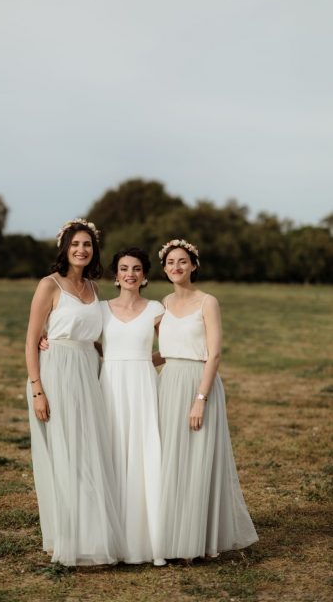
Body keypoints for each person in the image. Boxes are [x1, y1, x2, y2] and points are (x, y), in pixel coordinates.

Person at [25, 218, 124, 566]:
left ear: (93, 250)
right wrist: (38, 389)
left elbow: (95, 338)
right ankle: (63, 536)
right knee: (64, 453)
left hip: (86, 372)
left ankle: (90, 533)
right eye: (75, 244)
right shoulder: (49, 285)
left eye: (87, 245)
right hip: (55, 373)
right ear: (65, 248)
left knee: (88, 451)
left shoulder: (95, 290)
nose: (81, 250)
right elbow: (30, 340)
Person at [156, 239, 258, 560]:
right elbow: (165, 351)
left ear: (194, 266)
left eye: (182, 261)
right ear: (164, 269)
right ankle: (172, 534)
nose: (176, 267)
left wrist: (200, 398)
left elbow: (214, 355)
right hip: (168, 382)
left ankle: (198, 539)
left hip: (200, 383)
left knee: (198, 457)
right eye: (171, 262)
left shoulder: (207, 302)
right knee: (171, 458)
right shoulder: (163, 304)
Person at [99, 247, 166, 566]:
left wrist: (146, 361)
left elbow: (172, 345)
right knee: (111, 451)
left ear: (144, 275)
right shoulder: (100, 309)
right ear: (115, 275)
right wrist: (45, 340)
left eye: (136, 268)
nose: (130, 273)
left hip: (142, 385)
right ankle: (110, 536)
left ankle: (147, 538)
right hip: (110, 385)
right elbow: (87, 343)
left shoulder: (156, 309)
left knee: (143, 454)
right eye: (124, 268)